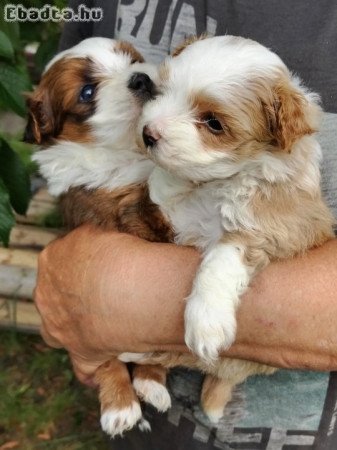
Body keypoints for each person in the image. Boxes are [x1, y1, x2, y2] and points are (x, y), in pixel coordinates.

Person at [35, 1, 337, 448]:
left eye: (212, 122)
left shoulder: (279, 153)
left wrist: (112, 294)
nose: (153, 124)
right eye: (165, 87)